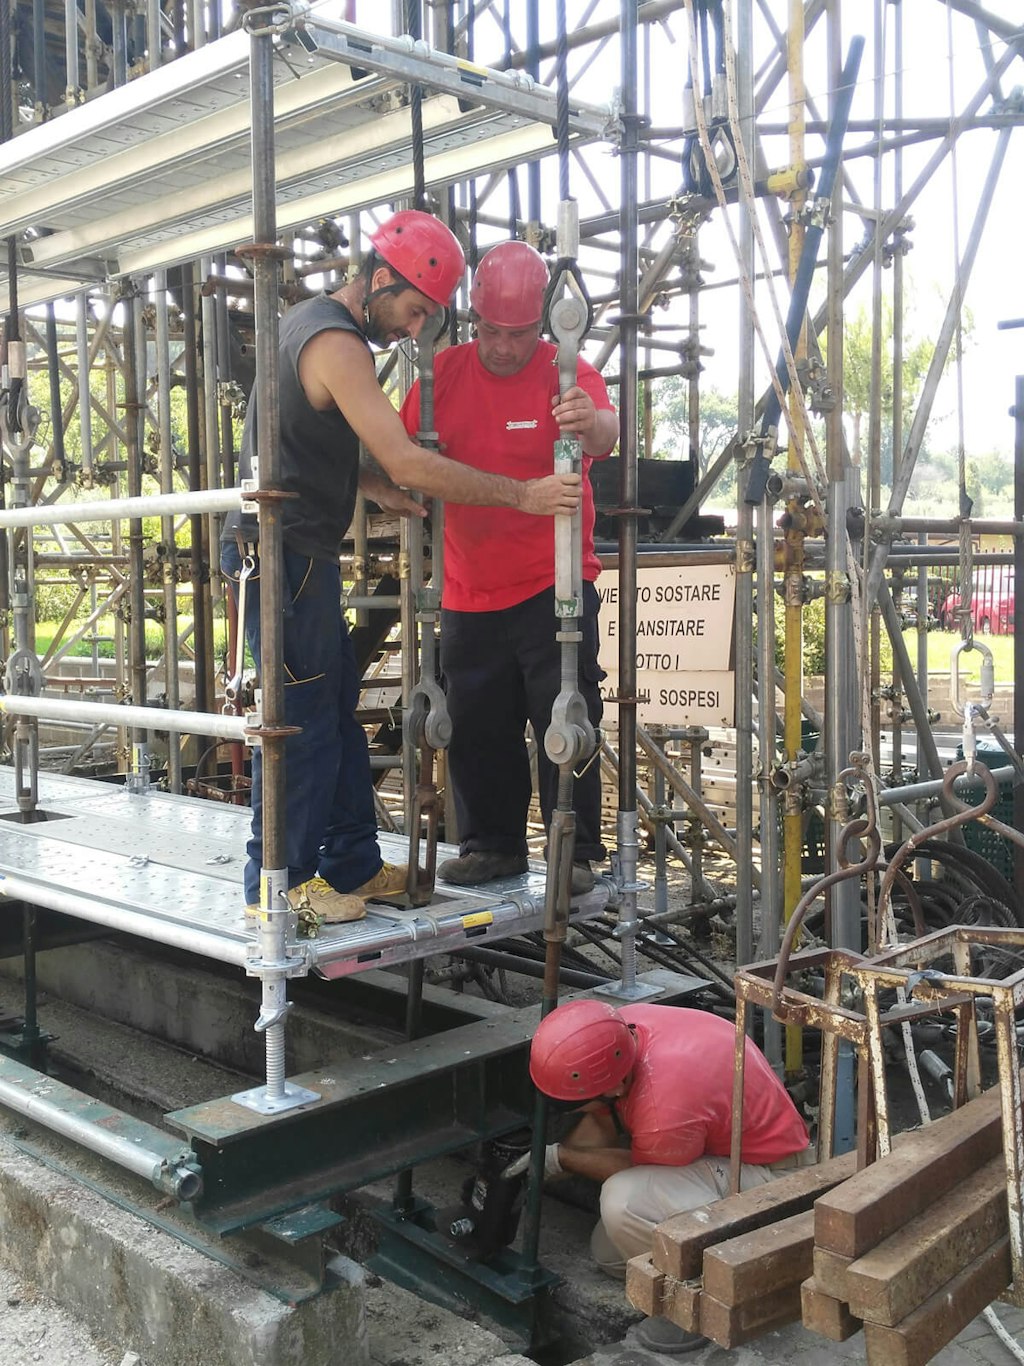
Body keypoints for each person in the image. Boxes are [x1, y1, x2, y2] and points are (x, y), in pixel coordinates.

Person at [221, 212, 583, 924]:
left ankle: (351, 863)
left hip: (299, 550)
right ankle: (278, 885)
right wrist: (524, 495)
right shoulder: (337, 342)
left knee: (333, 712)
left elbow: (302, 434)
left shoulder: (306, 323)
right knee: (298, 719)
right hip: (281, 552)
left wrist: (367, 481)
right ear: (380, 278)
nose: (416, 329)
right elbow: (410, 458)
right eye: (414, 310)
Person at [398, 240, 618, 895]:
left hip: (554, 581)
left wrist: (593, 422)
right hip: (468, 586)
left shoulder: (567, 370)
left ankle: (571, 853)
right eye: (491, 331)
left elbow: (607, 435)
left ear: (542, 325)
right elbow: (402, 453)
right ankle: (492, 844)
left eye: (517, 334)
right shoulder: (442, 377)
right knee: (476, 722)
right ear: (474, 319)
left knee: (565, 711)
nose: (501, 346)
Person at [524, 998, 811, 1355]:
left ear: (613, 1087)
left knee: (623, 1203)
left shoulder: (664, 1106)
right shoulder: (614, 1031)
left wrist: (560, 1159)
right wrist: (554, 1160)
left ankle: (697, 1304)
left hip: (775, 1181)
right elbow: (602, 1118)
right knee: (610, 1254)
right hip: (724, 1151)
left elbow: (639, 1172)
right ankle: (695, 1267)